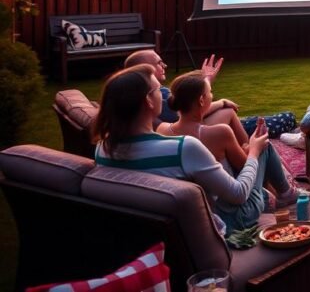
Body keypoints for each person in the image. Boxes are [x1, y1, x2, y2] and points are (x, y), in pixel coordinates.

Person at [93, 64, 270, 234]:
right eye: (158, 90)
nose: (164, 95)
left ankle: (272, 194)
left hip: (146, 233)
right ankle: (285, 193)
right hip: (213, 230)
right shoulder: (183, 148)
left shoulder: (103, 149)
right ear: (148, 101)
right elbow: (238, 194)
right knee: (262, 148)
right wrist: (253, 152)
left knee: (262, 188)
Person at [157, 71, 297, 208]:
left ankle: (273, 195)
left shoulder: (162, 129)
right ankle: (285, 193)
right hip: (233, 209)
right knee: (265, 146)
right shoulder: (219, 132)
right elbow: (245, 167)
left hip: (199, 204)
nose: (213, 96)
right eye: (210, 92)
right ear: (201, 100)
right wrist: (253, 149)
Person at [125, 49, 248, 146]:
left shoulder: (133, 97)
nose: (165, 65)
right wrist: (221, 103)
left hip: (178, 134)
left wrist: (206, 81)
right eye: (159, 62)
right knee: (230, 113)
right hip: (183, 137)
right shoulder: (155, 95)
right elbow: (187, 112)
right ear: (145, 68)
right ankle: (249, 151)